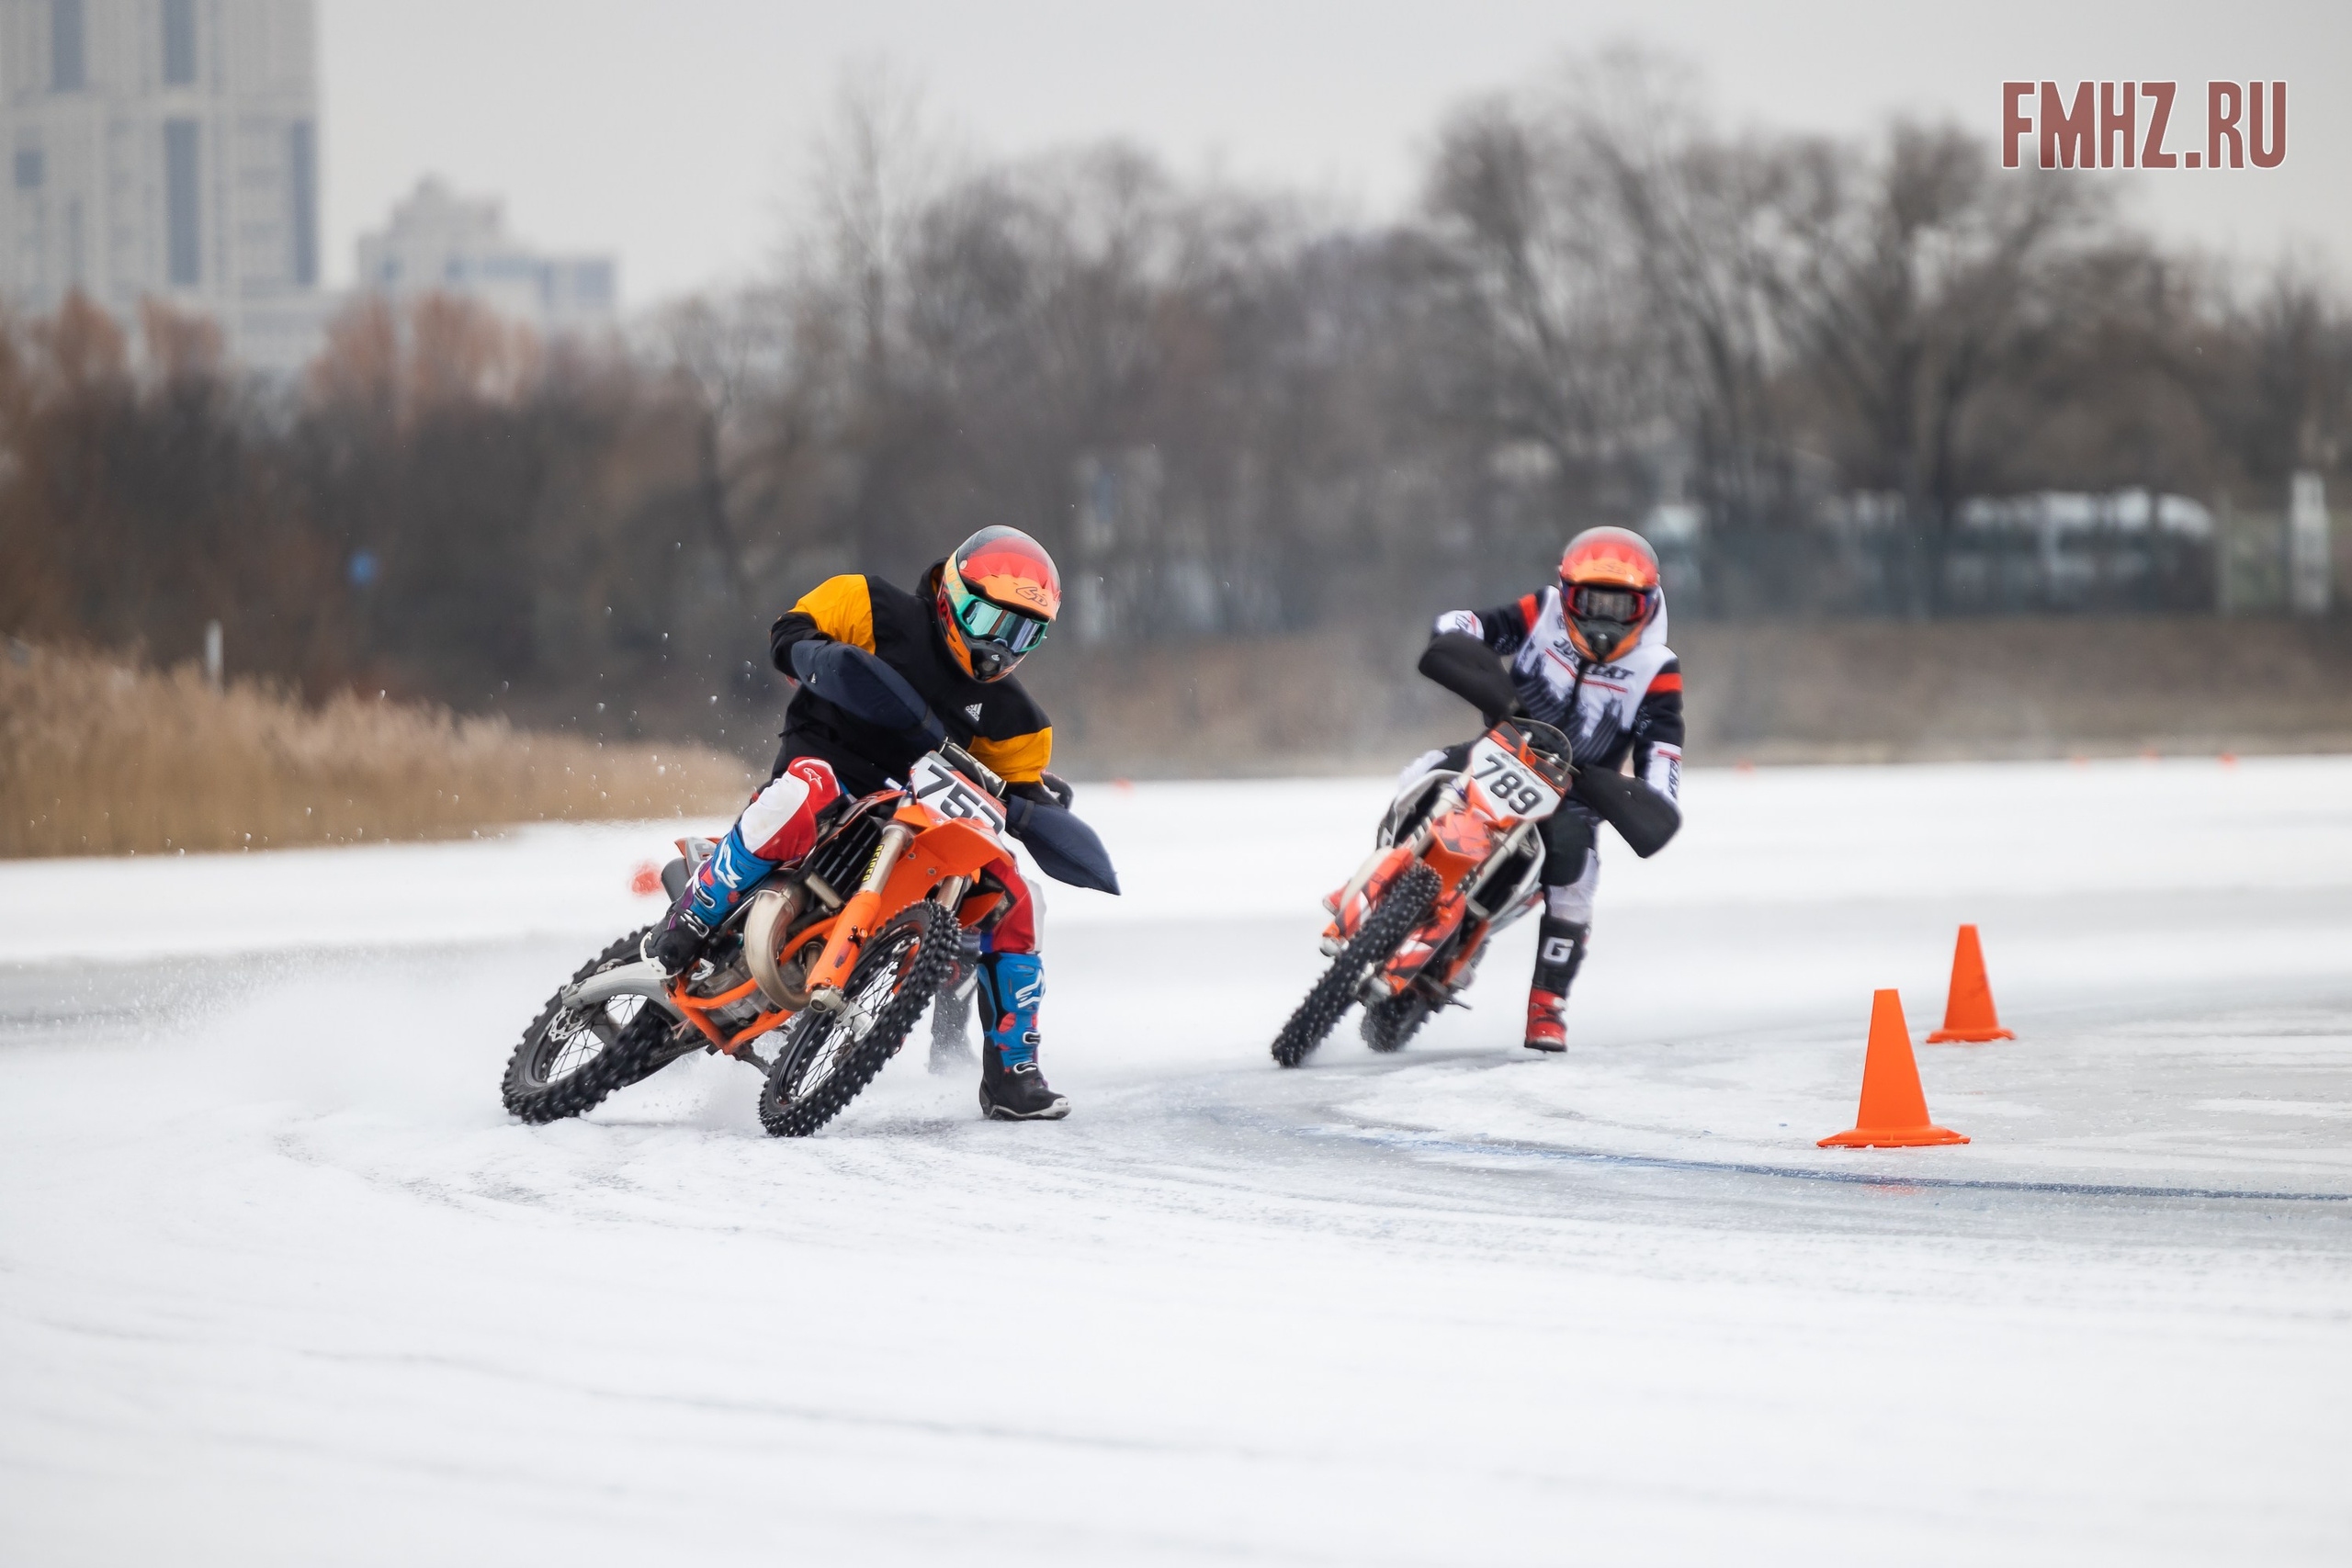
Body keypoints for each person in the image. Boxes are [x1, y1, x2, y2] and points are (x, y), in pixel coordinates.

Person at [644, 525, 1078, 1121]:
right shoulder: (872, 604)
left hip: (924, 817)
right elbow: (790, 632)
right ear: (953, 596)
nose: (999, 646)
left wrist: (1045, 809)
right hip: (829, 765)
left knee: (1019, 896)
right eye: (990, 621)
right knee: (805, 793)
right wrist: (812, 654)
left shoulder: (1021, 721)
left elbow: (1020, 785)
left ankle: (1011, 1070)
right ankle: (695, 911)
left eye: (1021, 632)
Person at [1408, 525, 1684, 1052]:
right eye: (1591, 602)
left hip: (1574, 795)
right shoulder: (1543, 611)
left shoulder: (1657, 670)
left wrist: (1649, 797)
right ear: (1568, 593)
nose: (1603, 621)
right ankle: (1386, 874)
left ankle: (1546, 1005)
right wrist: (1455, 632)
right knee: (1422, 770)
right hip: (1499, 750)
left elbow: (1664, 754)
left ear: (1646, 607)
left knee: (1578, 879)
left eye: (1621, 607)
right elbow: (1475, 625)